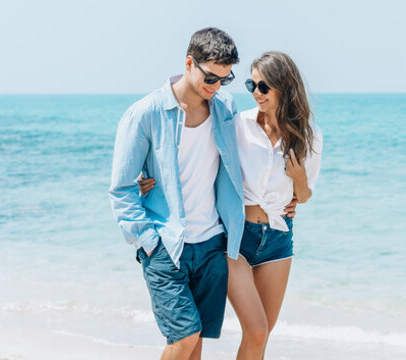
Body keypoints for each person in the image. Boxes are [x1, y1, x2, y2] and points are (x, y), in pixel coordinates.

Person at [140, 50, 322, 359]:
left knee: (261, 335)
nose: (256, 94)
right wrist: (149, 178)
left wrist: (299, 178)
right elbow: (195, 158)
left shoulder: (310, 136)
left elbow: (303, 196)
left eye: (263, 87)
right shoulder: (238, 124)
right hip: (235, 238)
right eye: (251, 86)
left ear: (285, 86)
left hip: (278, 240)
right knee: (256, 328)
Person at [109, 27, 245, 360]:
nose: (216, 87)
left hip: (212, 243)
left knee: (196, 344)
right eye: (211, 78)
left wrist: (290, 191)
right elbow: (122, 188)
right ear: (189, 63)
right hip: (166, 245)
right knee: (185, 337)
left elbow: (247, 156)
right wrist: (148, 242)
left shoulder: (225, 108)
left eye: (225, 80)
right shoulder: (145, 114)